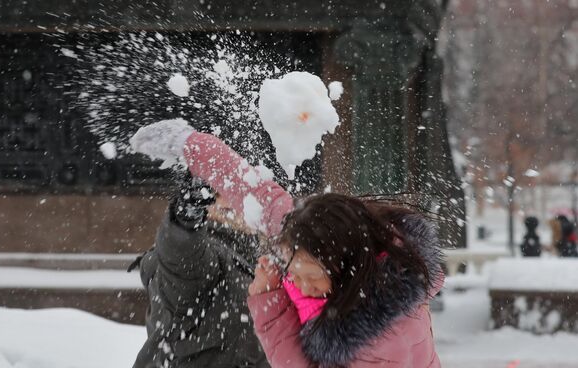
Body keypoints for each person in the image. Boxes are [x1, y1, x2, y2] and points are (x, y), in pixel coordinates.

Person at [131, 119, 444, 367]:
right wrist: (187, 143)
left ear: (346, 267)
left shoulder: (380, 344)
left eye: (311, 277)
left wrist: (269, 304)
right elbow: (256, 193)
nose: (302, 285)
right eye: (296, 273)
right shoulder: (315, 236)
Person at [129, 173, 270, 368]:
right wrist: (187, 215)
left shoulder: (254, 256)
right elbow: (183, 253)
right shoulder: (206, 256)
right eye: (228, 189)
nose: (243, 199)